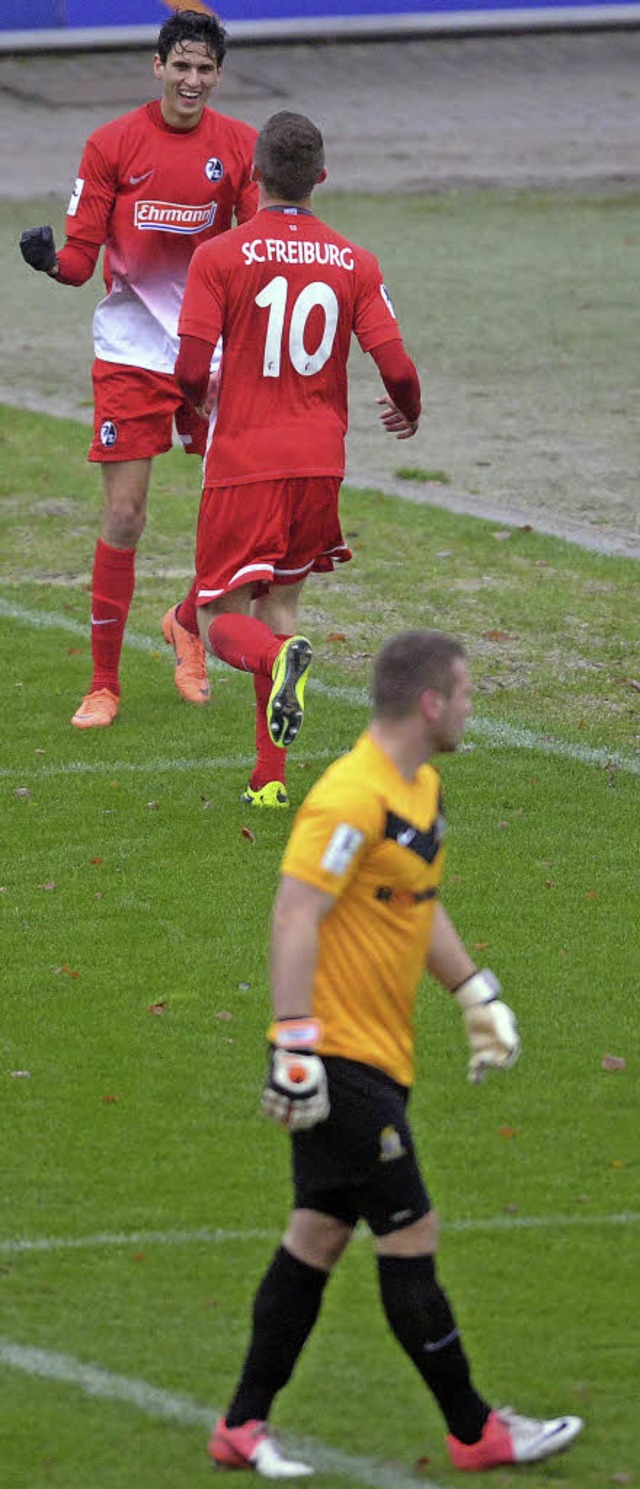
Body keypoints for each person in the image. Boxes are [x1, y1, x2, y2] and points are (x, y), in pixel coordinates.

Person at [209, 630, 584, 1477]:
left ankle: (241, 1425)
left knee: (317, 1235)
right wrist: (294, 1042)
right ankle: (476, 1429)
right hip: (336, 1057)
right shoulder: (351, 798)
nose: (470, 706)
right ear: (429, 703)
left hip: (380, 1053)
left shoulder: (421, 791)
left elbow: (418, 905)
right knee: (410, 1230)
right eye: (464, 692)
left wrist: (474, 992)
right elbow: (294, 912)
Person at [173, 110, 421, 810]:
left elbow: (191, 367)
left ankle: (275, 663)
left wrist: (199, 401)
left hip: (245, 456)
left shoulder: (219, 256)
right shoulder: (355, 261)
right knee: (280, 602)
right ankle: (269, 777)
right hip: (320, 461)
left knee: (219, 615)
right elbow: (397, 366)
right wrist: (410, 409)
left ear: (252, 173)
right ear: (321, 176)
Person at [19, 8, 258, 729]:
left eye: (204, 69)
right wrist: (49, 261)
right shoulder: (111, 145)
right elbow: (82, 257)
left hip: (213, 354)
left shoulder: (241, 148)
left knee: (238, 520)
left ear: (218, 75)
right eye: (180, 66)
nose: (191, 81)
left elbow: (254, 249)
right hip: (130, 352)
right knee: (125, 513)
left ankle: (187, 620)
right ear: (157, 67)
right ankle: (103, 685)